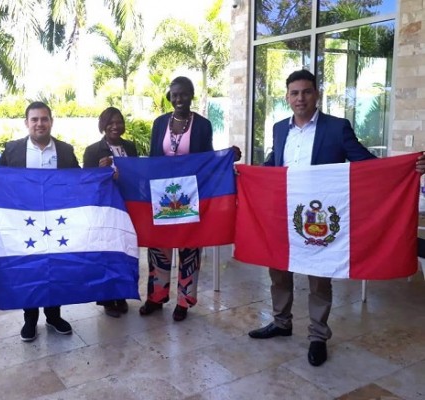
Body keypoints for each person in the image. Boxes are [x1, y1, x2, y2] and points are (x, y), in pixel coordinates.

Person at [246, 69, 425, 367]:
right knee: (278, 269)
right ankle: (281, 322)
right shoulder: (279, 129)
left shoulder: (336, 127)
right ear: (287, 97)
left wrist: (407, 168)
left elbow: (367, 164)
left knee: (319, 276)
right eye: (294, 93)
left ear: (317, 95)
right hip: (285, 212)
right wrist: (249, 174)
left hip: (318, 216)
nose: (300, 98)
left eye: (306, 92)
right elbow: (273, 165)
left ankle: (318, 335)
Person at [138, 76, 241, 322]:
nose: (179, 99)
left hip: (190, 195)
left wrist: (227, 157)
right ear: (170, 97)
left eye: (184, 94)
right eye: (174, 94)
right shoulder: (160, 122)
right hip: (162, 194)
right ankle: (156, 296)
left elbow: (206, 159)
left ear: (191, 95)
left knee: (189, 245)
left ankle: (184, 300)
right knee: (159, 245)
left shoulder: (203, 125)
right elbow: (153, 159)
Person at [0, 101, 80, 342]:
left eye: (44, 119)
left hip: (57, 223)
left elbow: (78, 180)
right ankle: (30, 319)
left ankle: (54, 315)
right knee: (30, 269)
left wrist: (105, 175)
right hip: (25, 223)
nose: (39, 124)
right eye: (34, 120)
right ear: (26, 123)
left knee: (55, 267)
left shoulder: (65, 150)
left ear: (51, 122)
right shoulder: (13, 150)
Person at [83, 107, 138, 318]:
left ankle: (121, 294)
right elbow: (86, 182)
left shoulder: (130, 147)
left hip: (127, 206)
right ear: (103, 125)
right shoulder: (92, 151)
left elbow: (138, 176)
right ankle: (107, 297)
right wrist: (99, 170)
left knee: (124, 251)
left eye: (119, 122)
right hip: (104, 209)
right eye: (110, 122)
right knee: (106, 252)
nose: (116, 126)